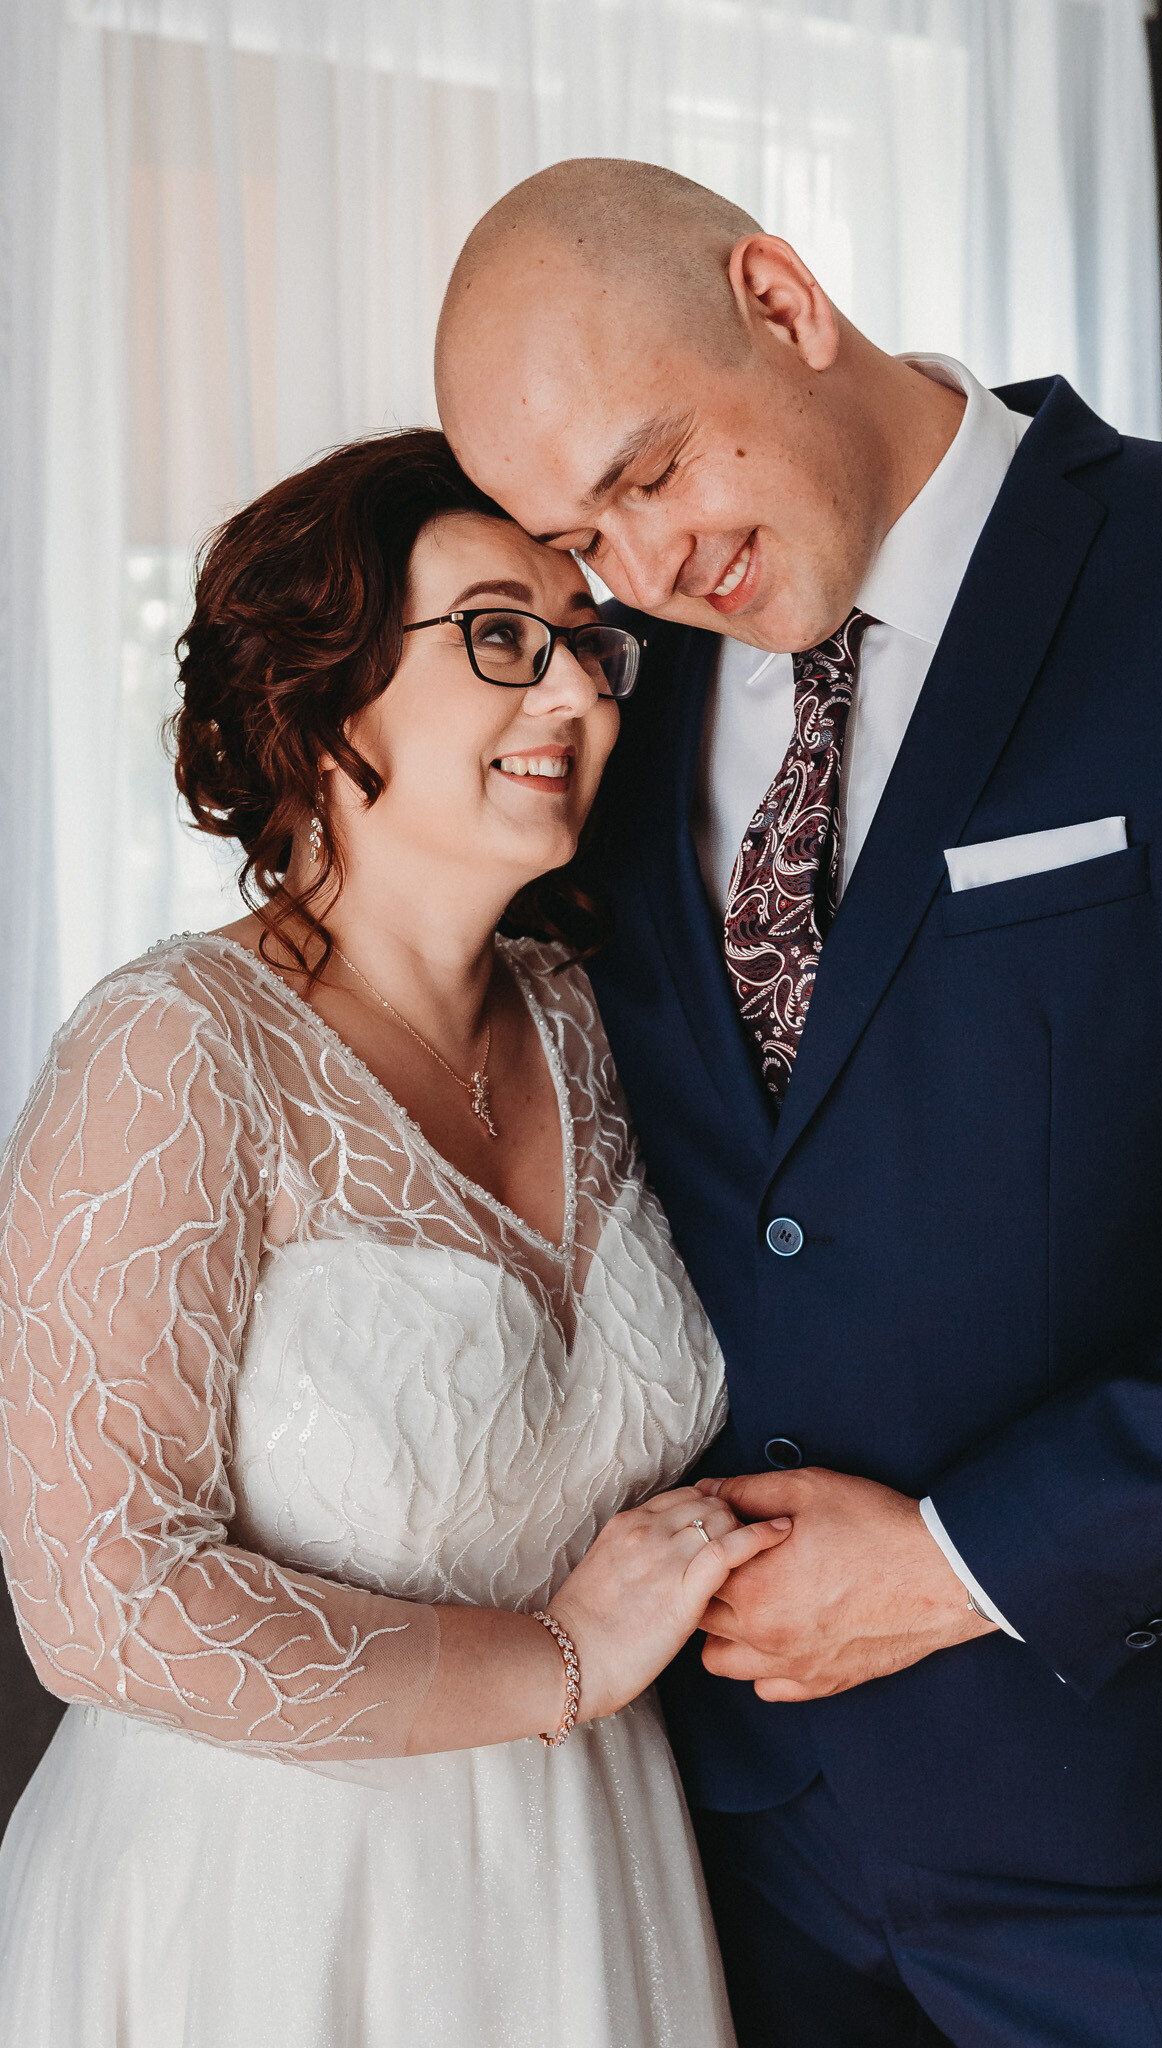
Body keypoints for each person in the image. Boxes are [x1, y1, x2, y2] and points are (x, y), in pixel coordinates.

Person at [434, 159, 1162, 2045]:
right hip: (731, 1846)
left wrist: (961, 1566)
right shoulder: (619, 710)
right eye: (581, 540)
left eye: (651, 472)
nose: (644, 570)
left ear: (780, 302)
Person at [0, 427, 792, 2046]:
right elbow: (101, 1597)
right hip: (262, 1905)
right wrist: (561, 1662)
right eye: (499, 635)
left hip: (587, 1877)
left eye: (586, 645)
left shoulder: (607, 1027)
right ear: (322, 692)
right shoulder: (175, 1049)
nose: (574, 694)